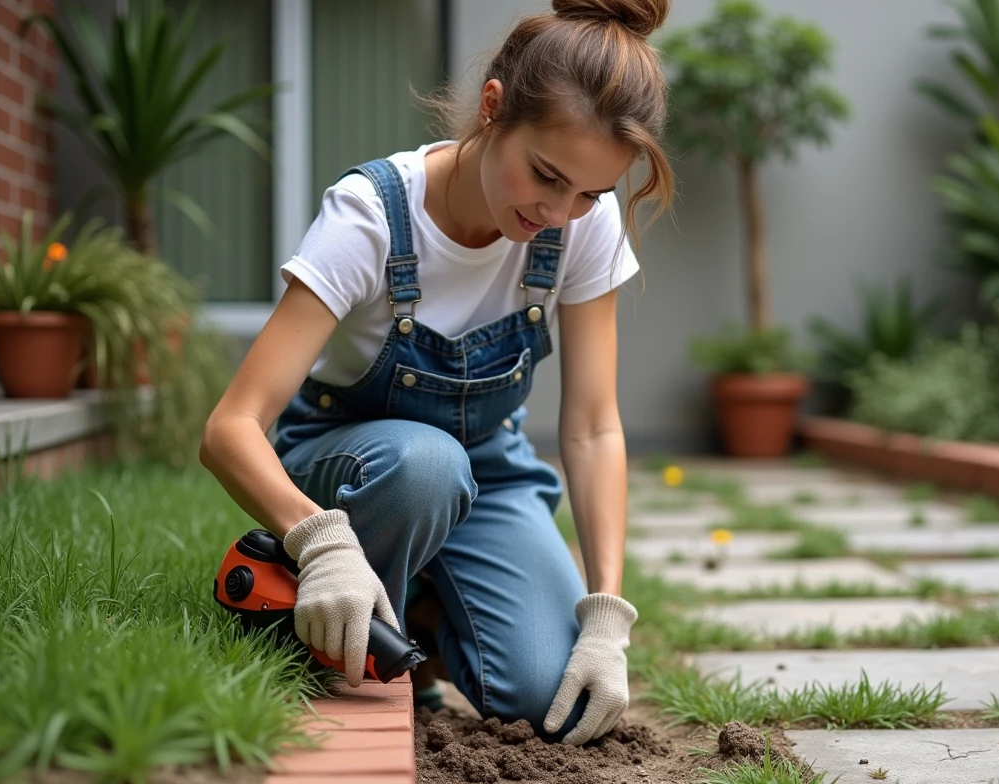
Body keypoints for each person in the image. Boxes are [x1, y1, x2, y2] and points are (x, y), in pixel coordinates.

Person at [199, 0, 674, 746]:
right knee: (426, 466)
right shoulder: (371, 218)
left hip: (489, 471)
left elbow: (591, 427)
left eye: (589, 193)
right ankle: (318, 607)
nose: (559, 212)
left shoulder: (580, 226)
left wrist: (607, 614)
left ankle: (419, 610)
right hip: (356, 469)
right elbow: (230, 429)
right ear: (492, 109)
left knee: (550, 697)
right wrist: (318, 539)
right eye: (546, 175)